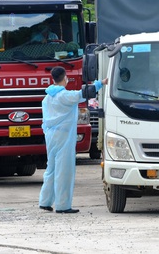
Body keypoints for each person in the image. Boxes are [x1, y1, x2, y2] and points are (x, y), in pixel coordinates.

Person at [39, 66, 107, 214]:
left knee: (51, 168)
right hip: (64, 137)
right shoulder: (64, 96)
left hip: (50, 136)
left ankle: (45, 201)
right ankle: (63, 205)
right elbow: (83, 94)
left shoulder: (46, 98)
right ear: (64, 78)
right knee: (64, 170)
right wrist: (101, 83)